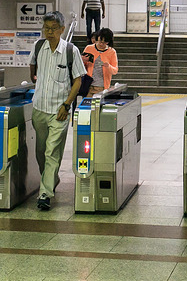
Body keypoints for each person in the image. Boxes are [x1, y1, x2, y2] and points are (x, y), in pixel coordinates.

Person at [28, 11, 85, 210]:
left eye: (53, 29)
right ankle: (51, 179)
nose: (49, 33)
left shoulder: (71, 51)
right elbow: (33, 67)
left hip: (59, 110)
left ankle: (45, 194)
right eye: (46, 29)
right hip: (39, 109)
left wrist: (67, 105)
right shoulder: (38, 47)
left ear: (62, 29)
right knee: (41, 152)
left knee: (52, 152)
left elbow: (78, 79)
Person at [82, 27, 119, 93]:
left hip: (101, 87)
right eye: (100, 41)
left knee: (97, 103)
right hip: (87, 85)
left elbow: (115, 71)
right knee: (87, 103)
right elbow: (81, 66)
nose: (101, 44)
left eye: (105, 42)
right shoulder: (89, 48)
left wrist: (108, 66)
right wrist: (83, 60)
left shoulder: (112, 52)